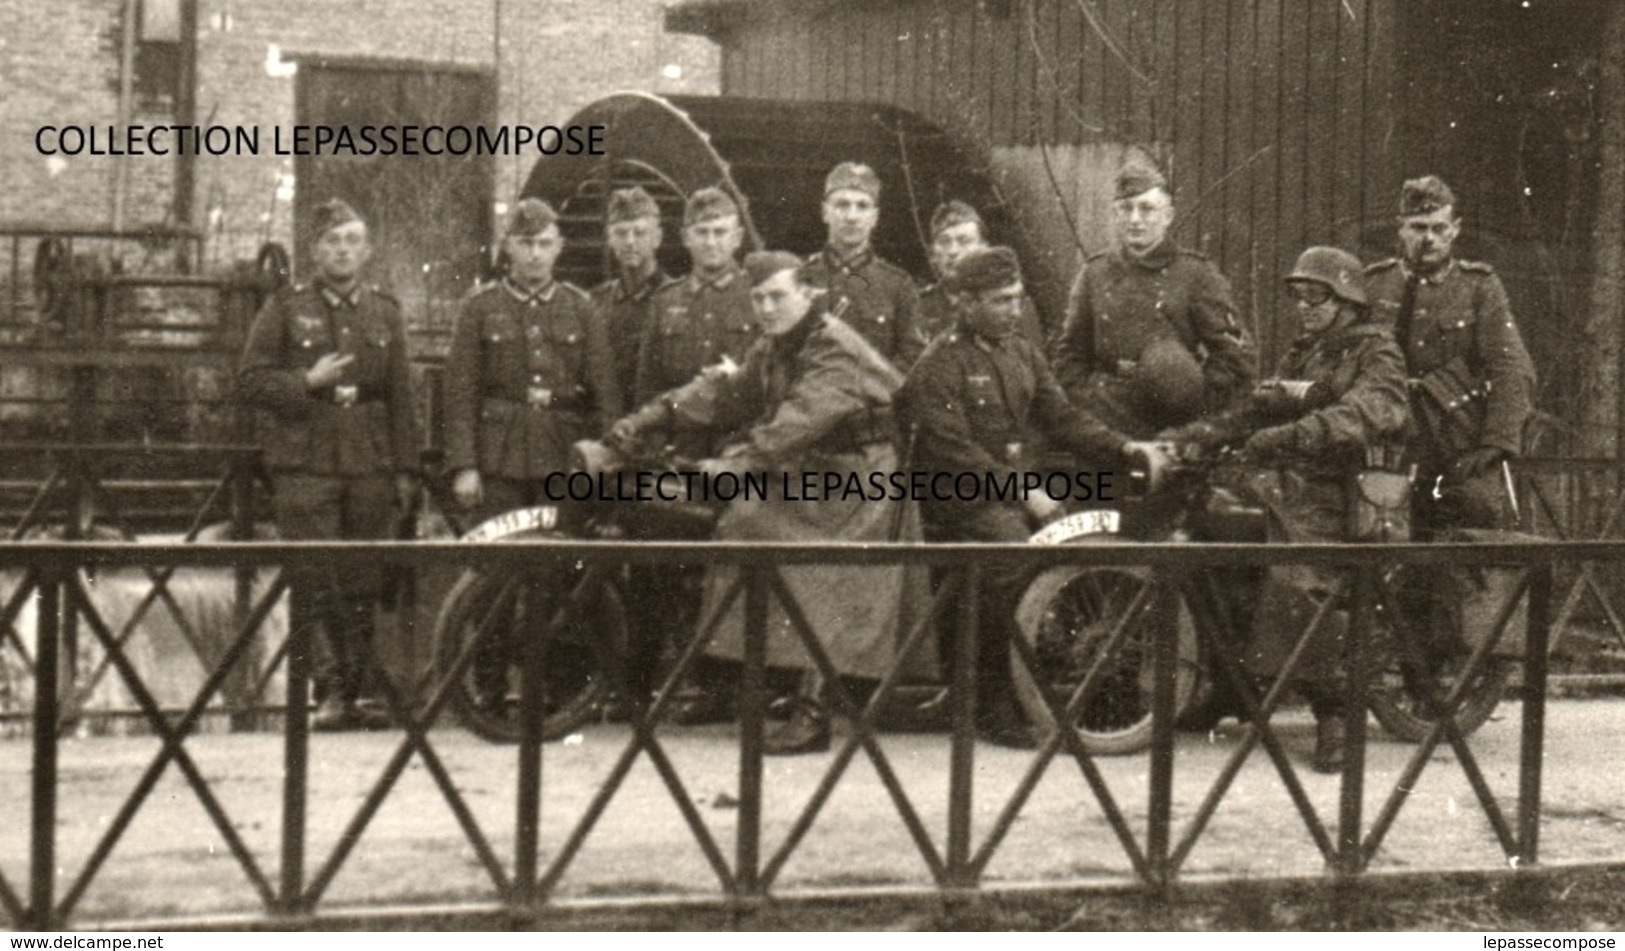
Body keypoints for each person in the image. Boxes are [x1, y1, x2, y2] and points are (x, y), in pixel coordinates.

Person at [609, 250, 916, 755]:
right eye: (758, 298)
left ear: (808, 295)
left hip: (861, 481)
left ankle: (812, 711)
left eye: (778, 295)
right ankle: (733, 682)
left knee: (789, 549)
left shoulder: (834, 345)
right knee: (732, 521)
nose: (768, 307)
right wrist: (650, 417)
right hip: (817, 469)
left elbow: (798, 420)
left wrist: (736, 465)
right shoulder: (777, 345)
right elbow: (727, 392)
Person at [900, 246, 1169, 749]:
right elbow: (954, 454)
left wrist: (1125, 447)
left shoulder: (1020, 350)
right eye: (1000, 301)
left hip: (1008, 490)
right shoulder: (938, 365)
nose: (1012, 310)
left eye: (1017, 299)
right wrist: (1024, 491)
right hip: (956, 497)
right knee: (1012, 556)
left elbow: (1061, 416)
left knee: (1083, 524)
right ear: (966, 303)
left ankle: (1011, 683)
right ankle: (993, 699)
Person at [1162, 247, 1410, 773]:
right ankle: (1231, 686)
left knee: (1301, 571)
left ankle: (1335, 716)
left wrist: (1295, 434)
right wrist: (1196, 436)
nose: (1304, 305)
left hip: (1344, 488)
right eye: (1298, 295)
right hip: (1289, 477)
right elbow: (1258, 406)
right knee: (1213, 539)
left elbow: (1368, 411)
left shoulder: (1378, 351)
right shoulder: (1306, 351)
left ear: (1346, 299)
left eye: (1316, 294)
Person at [238, 198, 420, 731]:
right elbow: (249, 381)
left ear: (367, 251)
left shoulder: (385, 311)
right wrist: (306, 382)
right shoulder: (285, 309)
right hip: (305, 459)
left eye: (352, 241)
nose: (342, 251)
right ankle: (328, 691)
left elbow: (401, 396)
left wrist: (405, 469)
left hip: (368, 460)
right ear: (314, 250)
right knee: (315, 575)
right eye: (332, 242)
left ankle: (361, 692)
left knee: (362, 576)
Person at [442, 199, 618, 716]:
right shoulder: (480, 307)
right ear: (508, 249)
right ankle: (490, 688)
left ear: (559, 248)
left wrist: (603, 463)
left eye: (545, 244)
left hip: (564, 459)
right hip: (497, 461)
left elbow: (605, 396)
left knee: (560, 573)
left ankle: (555, 690)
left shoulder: (582, 308)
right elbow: (460, 393)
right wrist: (465, 465)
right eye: (525, 244)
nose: (536, 255)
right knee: (493, 573)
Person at [631, 187, 761, 723]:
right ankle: (640, 686)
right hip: (678, 454)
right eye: (701, 233)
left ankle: (724, 689)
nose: (711, 242)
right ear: (685, 239)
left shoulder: (758, 297)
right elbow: (648, 384)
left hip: (736, 453)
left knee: (730, 569)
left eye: (720, 232)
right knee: (659, 565)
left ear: (737, 236)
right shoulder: (667, 302)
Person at [1364, 175, 1536, 533]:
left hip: (1455, 439)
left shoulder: (1478, 287)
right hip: (1386, 437)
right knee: (1371, 526)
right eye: (1418, 227)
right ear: (1401, 229)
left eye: (1439, 228)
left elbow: (1511, 368)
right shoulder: (1373, 284)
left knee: (1472, 517)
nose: (1428, 238)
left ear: (1455, 230)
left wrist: (1495, 443)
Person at [1050, 161, 1257, 439]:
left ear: (1168, 215)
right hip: (1107, 420)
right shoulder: (1094, 274)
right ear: (1115, 214)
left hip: (1172, 421)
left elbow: (1234, 357)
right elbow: (1070, 355)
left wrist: (1196, 407)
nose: (1135, 219)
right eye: (1126, 208)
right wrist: (1089, 404)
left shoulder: (1194, 273)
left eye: (1146, 209)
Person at [799, 161, 927, 369]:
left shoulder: (897, 286)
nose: (852, 216)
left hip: (872, 399)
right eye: (842, 205)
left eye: (862, 206)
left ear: (874, 217)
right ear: (825, 212)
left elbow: (912, 358)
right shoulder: (800, 277)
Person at [916, 200, 1045, 343]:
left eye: (964, 241)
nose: (953, 251)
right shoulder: (917, 308)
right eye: (944, 242)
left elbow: (1029, 360)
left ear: (984, 248)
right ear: (933, 254)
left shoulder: (1012, 302)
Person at [590, 186, 669, 414]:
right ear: (610, 240)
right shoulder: (596, 301)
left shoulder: (674, 299)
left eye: (639, 232)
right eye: (621, 233)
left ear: (657, 238)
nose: (630, 241)